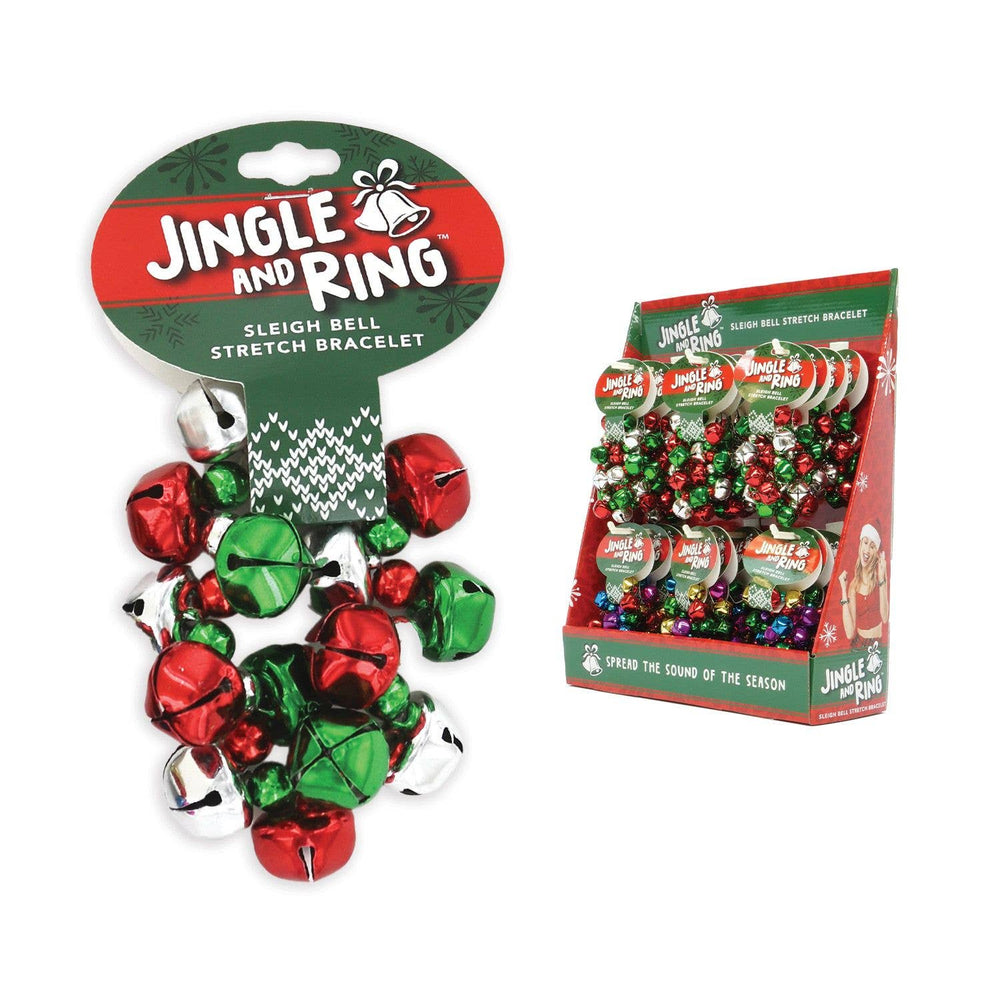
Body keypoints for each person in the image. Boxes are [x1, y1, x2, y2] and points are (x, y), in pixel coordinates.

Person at [838, 523, 888, 642]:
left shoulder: (880, 578)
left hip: (878, 644)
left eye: (872, 546)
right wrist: (843, 590)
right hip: (859, 645)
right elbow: (850, 633)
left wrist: (882, 579)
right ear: (860, 545)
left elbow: (885, 617)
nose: (867, 550)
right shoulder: (853, 586)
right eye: (865, 543)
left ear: (876, 552)